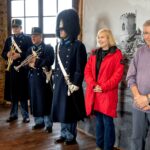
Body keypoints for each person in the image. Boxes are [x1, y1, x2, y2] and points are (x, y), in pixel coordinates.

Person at [84, 28, 124, 150]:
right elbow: (87, 71)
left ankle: (107, 147)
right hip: (95, 92)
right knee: (99, 122)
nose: (99, 39)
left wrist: (103, 87)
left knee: (107, 123)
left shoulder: (117, 54)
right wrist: (93, 85)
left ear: (108, 38)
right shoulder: (94, 54)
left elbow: (118, 75)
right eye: (98, 37)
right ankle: (99, 145)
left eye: (102, 37)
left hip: (107, 94)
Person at [51, 9, 87, 145]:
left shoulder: (79, 46)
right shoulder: (58, 46)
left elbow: (80, 68)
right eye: (59, 28)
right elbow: (57, 67)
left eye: (63, 28)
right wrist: (55, 82)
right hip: (60, 83)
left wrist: (75, 84)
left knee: (70, 111)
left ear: (70, 27)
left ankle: (71, 136)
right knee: (62, 109)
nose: (60, 30)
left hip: (71, 84)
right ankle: (64, 133)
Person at [1, 19, 32, 123]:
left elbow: (31, 53)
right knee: (13, 93)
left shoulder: (27, 39)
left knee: (22, 93)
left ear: (21, 28)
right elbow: (3, 53)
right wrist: (7, 54)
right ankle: (13, 114)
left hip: (22, 69)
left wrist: (20, 55)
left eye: (17, 27)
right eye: (13, 27)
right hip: (12, 70)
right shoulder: (9, 39)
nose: (15, 29)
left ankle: (25, 116)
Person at [126, 20, 150, 150]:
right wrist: (138, 98)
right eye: (146, 33)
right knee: (136, 139)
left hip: (146, 101)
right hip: (138, 105)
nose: (148, 36)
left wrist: (147, 99)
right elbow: (130, 77)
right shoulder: (139, 52)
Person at [27, 27, 54, 133]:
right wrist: (29, 65)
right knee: (35, 101)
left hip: (44, 79)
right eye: (32, 36)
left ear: (41, 37)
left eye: (36, 35)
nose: (33, 37)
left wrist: (36, 61)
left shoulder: (48, 48)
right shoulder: (30, 49)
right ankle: (39, 122)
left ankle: (48, 124)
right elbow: (26, 64)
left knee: (46, 101)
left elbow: (49, 61)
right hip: (33, 78)